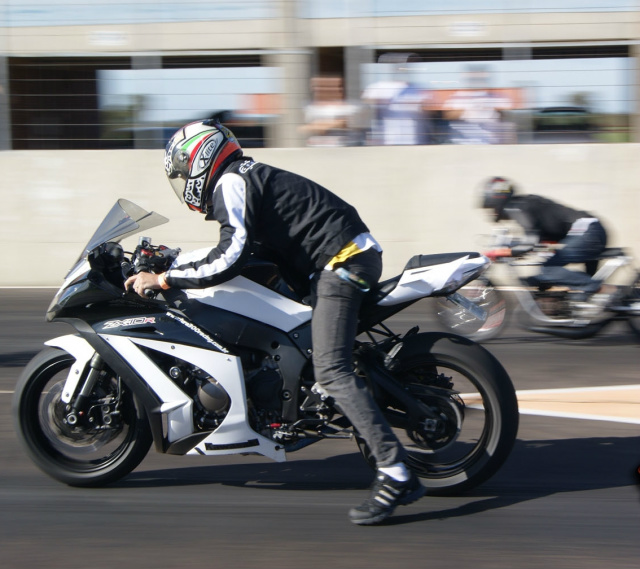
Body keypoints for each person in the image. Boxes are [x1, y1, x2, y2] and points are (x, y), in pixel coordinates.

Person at [124, 119, 425, 525]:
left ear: (199, 160)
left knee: (331, 369)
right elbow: (236, 251)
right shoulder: (244, 178)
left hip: (342, 262)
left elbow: (228, 256)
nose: (182, 186)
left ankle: (396, 471)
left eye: (181, 174)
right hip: (336, 261)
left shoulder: (231, 182)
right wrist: (173, 260)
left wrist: (164, 278)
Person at [480, 176, 609, 300]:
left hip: (587, 232)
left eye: (492, 208)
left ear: (496, 199)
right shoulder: (526, 204)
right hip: (590, 231)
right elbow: (537, 240)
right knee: (545, 278)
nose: (493, 212)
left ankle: (602, 288)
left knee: (547, 270)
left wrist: (504, 251)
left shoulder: (516, 207)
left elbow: (531, 242)